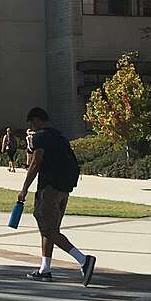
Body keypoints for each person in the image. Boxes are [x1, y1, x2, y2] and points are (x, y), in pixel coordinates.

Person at [16, 106, 96, 285]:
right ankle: (45, 269)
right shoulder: (59, 137)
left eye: (31, 123)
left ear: (35, 121)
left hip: (49, 189)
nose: (31, 126)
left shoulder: (40, 137)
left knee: (48, 230)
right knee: (50, 229)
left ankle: (84, 260)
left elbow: (34, 164)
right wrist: (30, 145)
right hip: (63, 189)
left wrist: (24, 189)